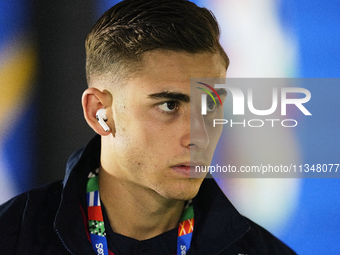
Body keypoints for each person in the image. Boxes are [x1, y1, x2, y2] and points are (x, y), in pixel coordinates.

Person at [0, 0, 296, 254]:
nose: (198, 136)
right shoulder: (12, 238)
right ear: (98, 112)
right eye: (169, 105)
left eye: (209, 106)